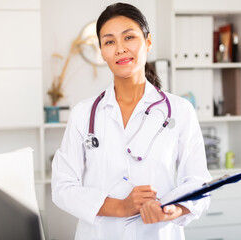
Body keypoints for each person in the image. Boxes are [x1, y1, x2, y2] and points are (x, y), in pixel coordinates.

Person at [52, 2, 212, 240]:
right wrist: (120, 207)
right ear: (102, 50)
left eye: (129, 37)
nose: (120, 49)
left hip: (157, 233)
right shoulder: (83, 114)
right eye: (109, 41)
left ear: (148, 41)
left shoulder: (180, 111)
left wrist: (172, 211)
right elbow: (63, 187)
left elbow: (198, 183)